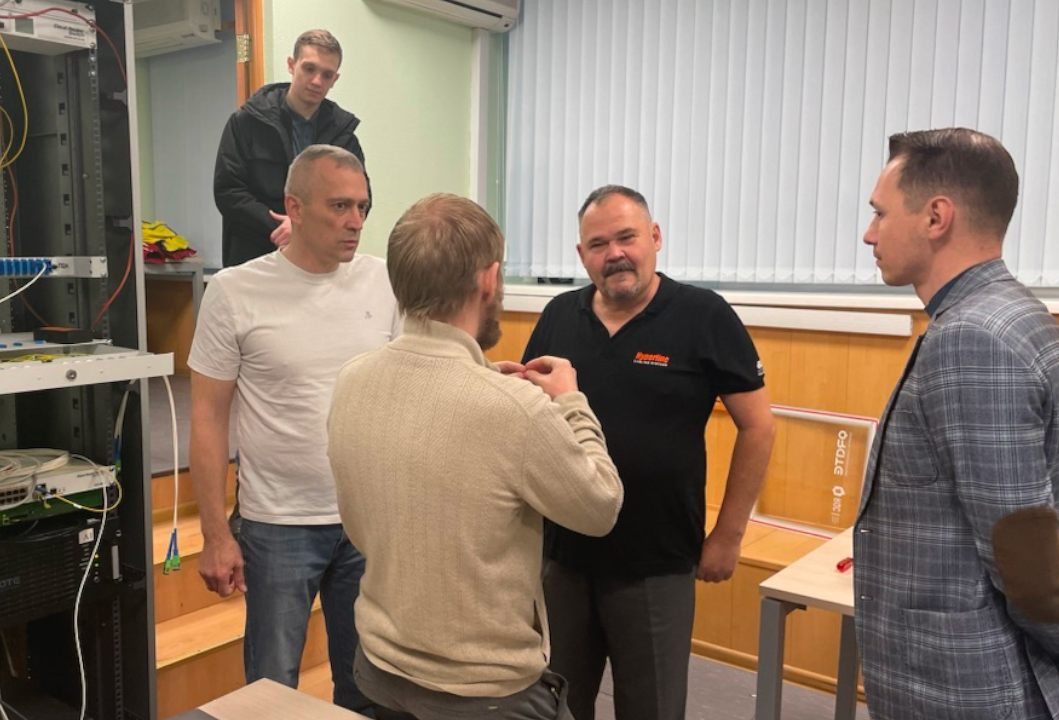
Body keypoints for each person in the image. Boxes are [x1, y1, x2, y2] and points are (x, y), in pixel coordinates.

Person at [327, 193, 624, 720]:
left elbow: (362, 528)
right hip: (486, 693)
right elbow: (600, 507)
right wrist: (571, 403)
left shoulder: (351, 380)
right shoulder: (516, 409)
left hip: (378, 671)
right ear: (488, 279)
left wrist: (488, 386)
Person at [854, 128, 1059, 720]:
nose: (870, 233)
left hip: (969, 687)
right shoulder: (1017, 318)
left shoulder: (974, 339)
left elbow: (1029, 564)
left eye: (880, 213)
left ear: (936, 217)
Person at [522, 185, 776, 720]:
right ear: (581, 255)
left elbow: (758, 427)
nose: (614, 253)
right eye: (598, 244)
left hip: (657, 563)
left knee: (652, 708)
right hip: (563, 560)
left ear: (655, 237)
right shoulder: (559, 316)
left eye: (627, 237)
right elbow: (530, 419)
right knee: (557, 705)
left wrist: (729, 536)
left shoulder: (703, 315)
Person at [188, 145, 399, 713]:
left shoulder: (384, 282)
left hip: (366, 522)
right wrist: (215, 534)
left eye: (362, 206)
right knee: (271, 694)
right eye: (340, 206)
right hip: (278, 524)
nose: (356, 221)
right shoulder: (234, 291)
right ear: (295, 208)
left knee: (368, 689)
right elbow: (207, 418)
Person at [213, 29, 367, 267]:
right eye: (309, 68)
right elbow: (228, 191)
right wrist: (282, 226)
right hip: (255, 257)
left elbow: (361, 198)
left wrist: (304, 227)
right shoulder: (247, 122)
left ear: (334, 79)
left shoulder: (343, 136)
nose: (316, 81)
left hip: (320, 259)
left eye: (326, 75)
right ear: (291, 65)